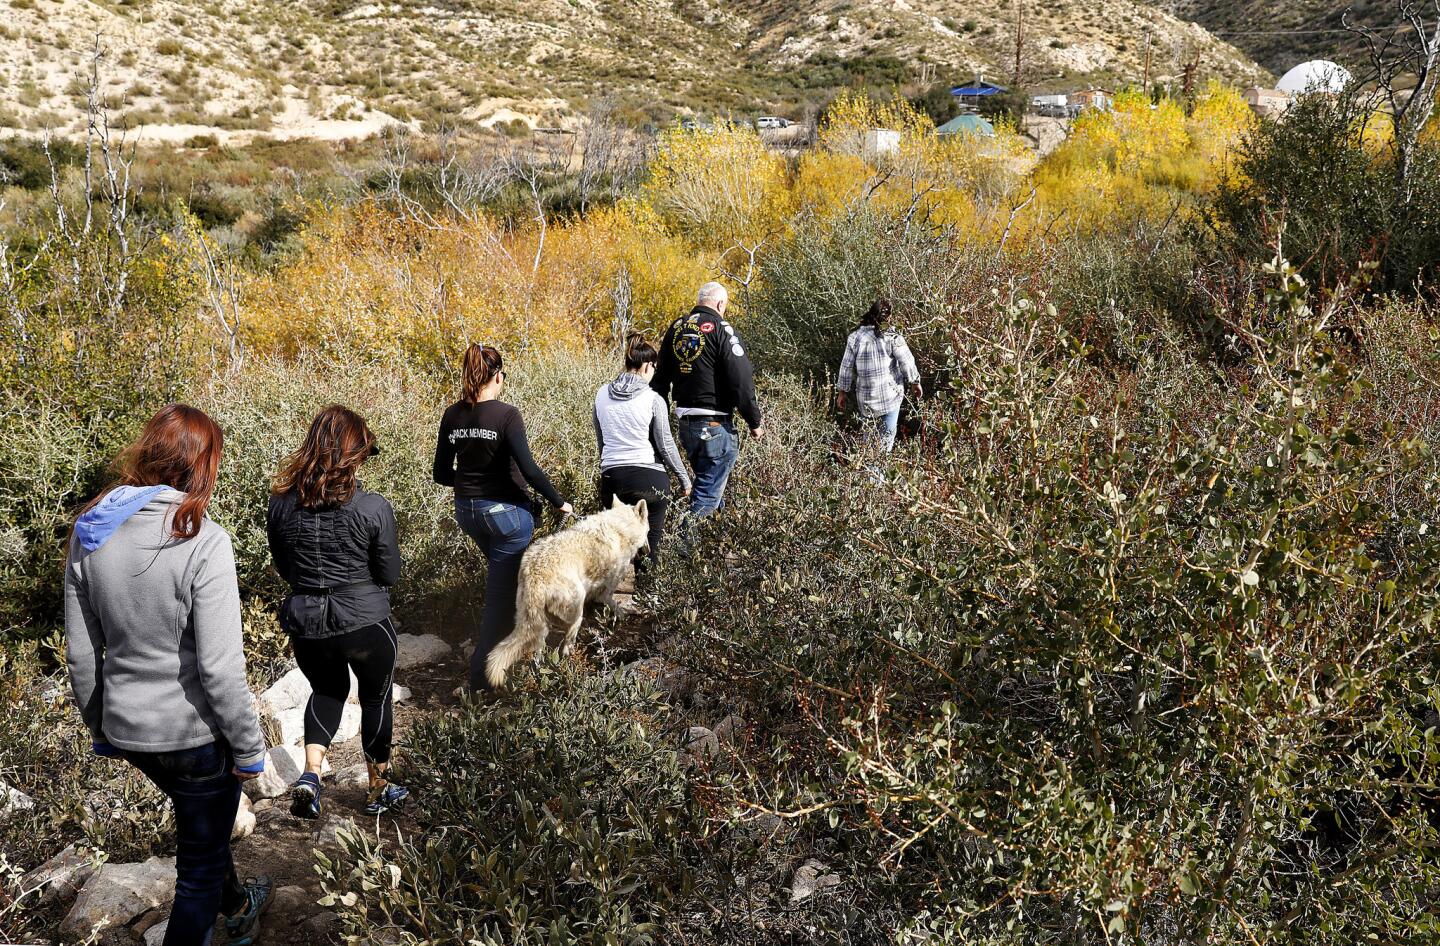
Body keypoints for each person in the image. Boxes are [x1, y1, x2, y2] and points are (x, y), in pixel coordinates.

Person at [64, 404, 273, 946]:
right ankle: (219, 904)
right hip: (192, 735)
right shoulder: (203, 537)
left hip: (130, 730)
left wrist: (101, 729)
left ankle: (236, 902)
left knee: (202, 829)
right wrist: (251, 751)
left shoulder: (90, 532)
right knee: (197, 872)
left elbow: (83, 657)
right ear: (203, 465)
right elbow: (222, 669)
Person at [267, 405, 408, 820]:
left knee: (326, 691)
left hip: (307, 621)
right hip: (365, 620)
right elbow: (390, 572)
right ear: (352, 455)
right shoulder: (372, 507)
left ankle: (310, 776)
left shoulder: (280, 506)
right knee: (375, 697)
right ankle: (377, 787)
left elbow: (283, 567)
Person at [433, 343, 574, 692]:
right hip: (506, 517)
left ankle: (516, 651)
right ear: (498, 375)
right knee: (501, 597)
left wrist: (470, 482)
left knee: (508, 582)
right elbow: (529, 469)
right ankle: (481, 678)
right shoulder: (507, 415)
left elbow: (440, 473)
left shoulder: (453, 415)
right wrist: (559, 502)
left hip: (468, 512)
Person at [651, 281, 764, 517]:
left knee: (710, 483)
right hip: (715, 423)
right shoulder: (722, 329)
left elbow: (659, 378)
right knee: (708, 493)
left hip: (686, 425)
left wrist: (656, 419)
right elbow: (740, 378)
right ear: (720, 303)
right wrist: (754, 421)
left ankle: (713, 547)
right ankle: (684, 548)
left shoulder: (677, 328)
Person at [594, 334, 692, 570]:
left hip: (612, 479)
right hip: (649, 480)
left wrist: (610, 469)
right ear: (647, 365)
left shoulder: (601, 395)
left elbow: (602, 443)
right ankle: (648, 598)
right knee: (650, 547)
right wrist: (684, 479)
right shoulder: (653, 399)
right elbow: (665, 444)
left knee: (614, 548)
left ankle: (607, 601)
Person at [834, 298, 922, 456]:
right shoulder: (892, 336)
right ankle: (880, 477)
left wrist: (842, 392)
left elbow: (846, 367)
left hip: (866, 402)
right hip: (890, 398)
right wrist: (915, 382)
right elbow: (906, 361)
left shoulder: (855, 337)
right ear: (888, 316)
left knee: (870, 445)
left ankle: (872, 476)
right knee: (886, 443)